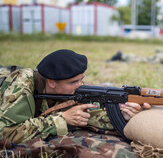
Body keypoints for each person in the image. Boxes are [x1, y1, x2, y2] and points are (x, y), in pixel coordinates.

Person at [0, 49, 151, 144]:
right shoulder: (21, 88)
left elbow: (89, 115)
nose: (81, 85)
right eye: (74, 82)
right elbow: (5, 133)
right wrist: (61, 119)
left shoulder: (66, 89)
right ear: (52, 83)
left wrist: (121, 114)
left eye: (81, 79)